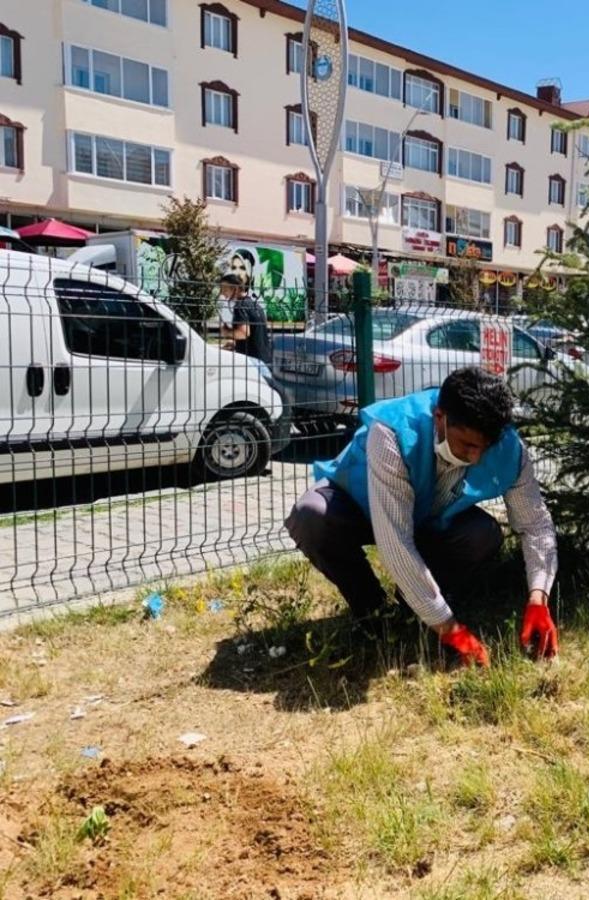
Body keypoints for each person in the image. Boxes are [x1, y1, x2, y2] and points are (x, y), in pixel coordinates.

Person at [285, 368, 559, 666]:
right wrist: (450, 628)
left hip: (429, 519)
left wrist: (538, 598)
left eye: (485, 447)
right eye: (467, 444)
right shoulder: (392, 432)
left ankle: (410, 606)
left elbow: (535, 524)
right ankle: (374, 613)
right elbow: (395, 542)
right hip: (359, 507)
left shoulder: (509, 448)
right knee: (311, 516)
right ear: (440, 417)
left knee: (482, 534)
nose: (476, 457)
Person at [218, 273, 273, 369]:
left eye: (224, 289)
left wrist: (226, 332)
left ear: (235, 289)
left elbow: (243, 333)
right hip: (264, 360)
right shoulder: (255, 305)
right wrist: (235, 344)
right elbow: (254, 334)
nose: (222, 293)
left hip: (252, 363)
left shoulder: (240, 306)